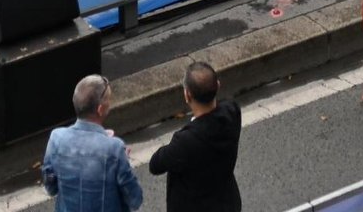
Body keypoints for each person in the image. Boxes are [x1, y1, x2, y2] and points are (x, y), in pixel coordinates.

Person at [46, 76, 146, 212]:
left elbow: (51, 187)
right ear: (100, 109)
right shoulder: (115, 148)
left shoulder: (56, 138)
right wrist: (123, 159)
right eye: (109, 101)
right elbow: (135, 199)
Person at [150, 63, 240, 212]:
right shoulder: (232, 111)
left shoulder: (186, 141)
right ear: (218, 86)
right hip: (227, 203)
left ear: (187, 95)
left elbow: (156, 164)